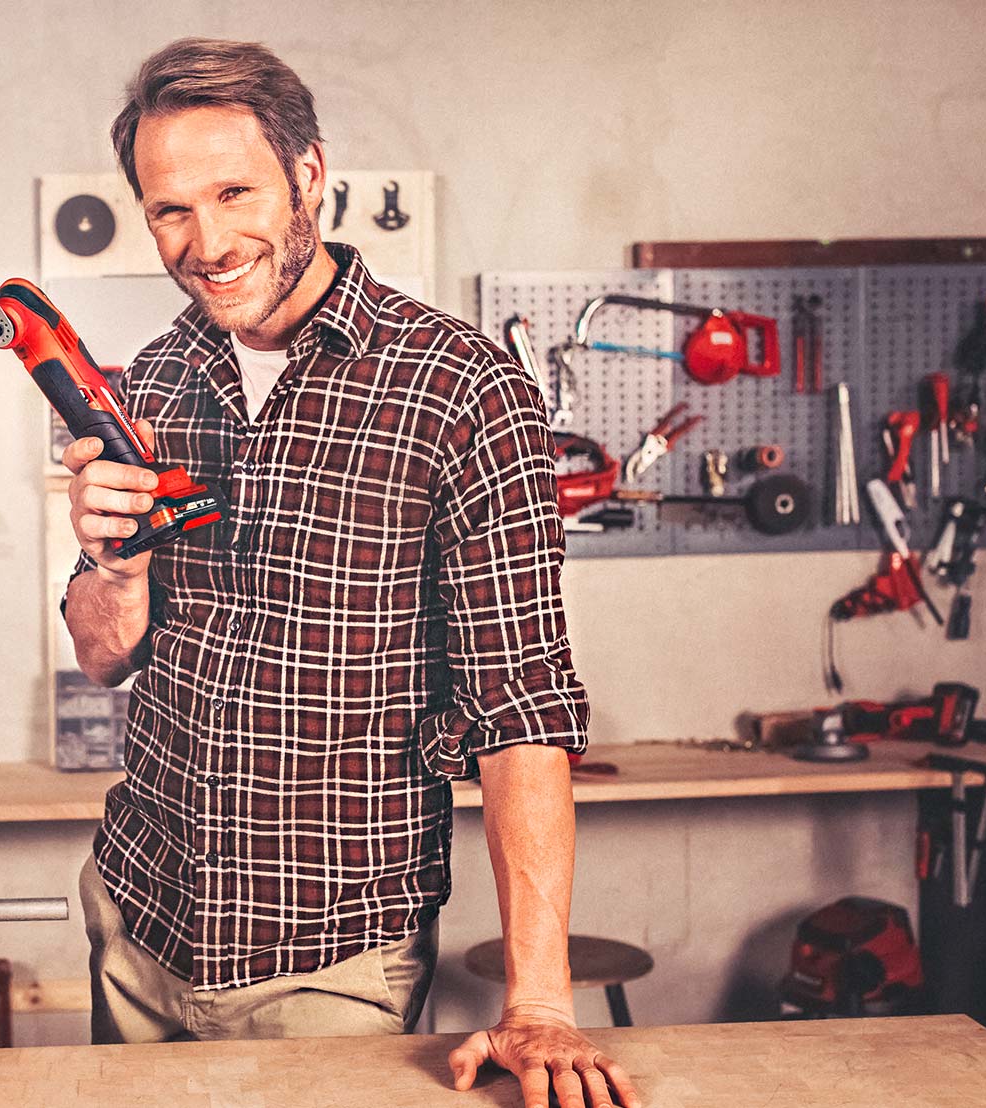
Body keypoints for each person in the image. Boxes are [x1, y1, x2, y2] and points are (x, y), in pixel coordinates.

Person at [59, 37, 641, 1108]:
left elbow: (521, 706)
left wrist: (543, 1004)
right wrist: (112, 566)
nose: (207, 240)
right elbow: (103, 655)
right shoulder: (158, 375)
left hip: (325, 962)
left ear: (310, 178)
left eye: (235, 192)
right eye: (169, 210)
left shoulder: (462, 390)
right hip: (138, 923)